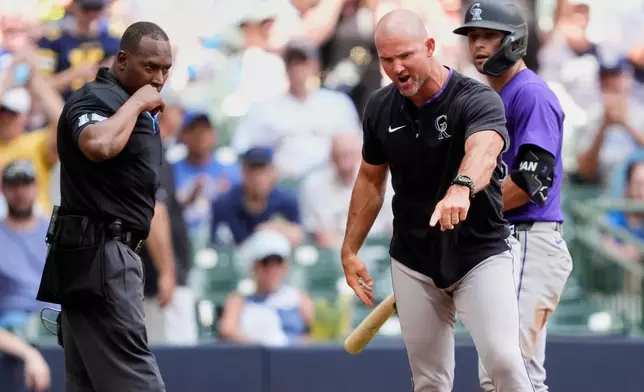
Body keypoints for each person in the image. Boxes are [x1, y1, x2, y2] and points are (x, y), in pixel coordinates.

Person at [340, 9, 534, 391]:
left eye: (406, 55)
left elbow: (485, 148)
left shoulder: (476, 98)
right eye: (387, 59)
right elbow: (369, 179)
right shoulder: (380, 107)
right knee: (429, 382)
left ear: (430, 47)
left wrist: (461, 187)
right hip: (414, 258)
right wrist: (349, 249)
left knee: (504, 362)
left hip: (480, 252)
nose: (397, 68)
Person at [35, 21, 172, 392]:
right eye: (150, 67)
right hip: (102, 257)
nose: (158, 79)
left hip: (93, 256)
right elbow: (97, 145)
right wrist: (139, 101)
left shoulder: (127, 103)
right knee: (138, 384)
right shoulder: (97, 98)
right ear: (122, 60)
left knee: (87, 385)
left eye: (165, 69)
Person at [453, 2, 574, 391]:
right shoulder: (491, 97)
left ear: (514, 41)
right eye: (473, 36)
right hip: (507, 243)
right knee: (501, 375)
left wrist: (467, 212)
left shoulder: (530, 93)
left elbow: (530, 183)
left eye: (488, 35)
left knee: (513, 371)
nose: (478, 45)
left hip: (528, 239)